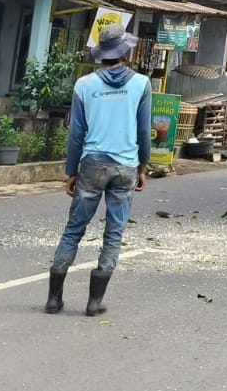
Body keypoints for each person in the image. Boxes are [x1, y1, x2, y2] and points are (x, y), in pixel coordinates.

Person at [46, 24, 152, 317]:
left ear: (102, 54)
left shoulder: (84, 85)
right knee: (114, 233)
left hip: (92, 164)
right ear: (125, 51)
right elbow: (144, 130)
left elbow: (76, 134)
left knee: (73, 229)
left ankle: (54, 299)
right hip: (126, 166)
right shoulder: (141, 83)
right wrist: (144, 166)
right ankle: (94, 303)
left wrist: (71, 171)